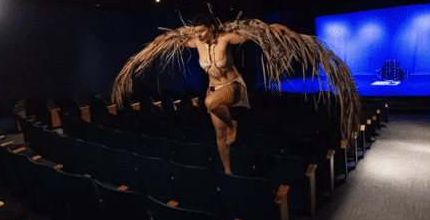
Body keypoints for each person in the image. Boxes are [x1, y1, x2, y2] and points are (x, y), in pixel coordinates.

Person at [112, 14, 359, 174]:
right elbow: (175, 40)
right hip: (215, 88)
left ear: (211, 28)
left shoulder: (225, 39)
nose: (199, 34)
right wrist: (158, 41)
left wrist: (278, 30)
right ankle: (228, 171)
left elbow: (257, 32)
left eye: (203, 30)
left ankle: (234, 125)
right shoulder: (197, 42)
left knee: (209, 104)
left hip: (234, 87)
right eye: (197, 31)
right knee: (218, 133)